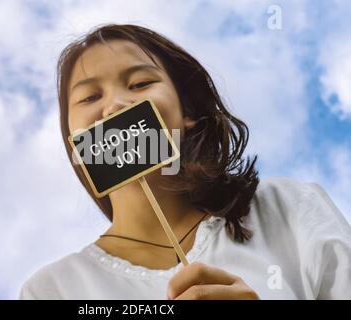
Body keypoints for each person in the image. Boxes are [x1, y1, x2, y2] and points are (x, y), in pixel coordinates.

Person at [20, 24, 351, 300]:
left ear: (188, 111)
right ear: (73, 141)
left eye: (140, 84)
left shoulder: (288, 209)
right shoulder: (52, 290)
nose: (116, 105)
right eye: (90, 97)